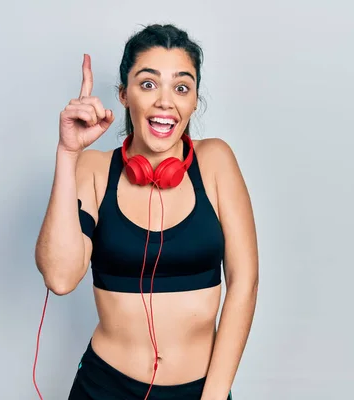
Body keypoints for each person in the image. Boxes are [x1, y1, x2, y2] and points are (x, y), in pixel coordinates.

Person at [35, 23, 258, 400]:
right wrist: (68, 153)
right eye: (149, 83)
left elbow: (244, 282)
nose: (165, 102)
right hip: (104, 387)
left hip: (201, 391)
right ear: (124, 95)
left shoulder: (216, 161)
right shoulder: (93, 169)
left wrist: (215, 395)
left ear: (194, 100)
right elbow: (59, 278)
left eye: (182, 87)